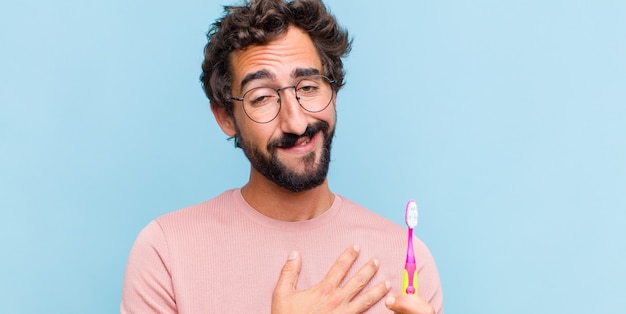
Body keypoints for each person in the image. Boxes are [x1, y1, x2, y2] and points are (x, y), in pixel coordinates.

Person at [121, 0, 444, 313]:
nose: (296, 122)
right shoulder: (166, 252)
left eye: (308, 87)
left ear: (333, 93)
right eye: (262, 97)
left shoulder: (407, 259)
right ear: (225, 117)